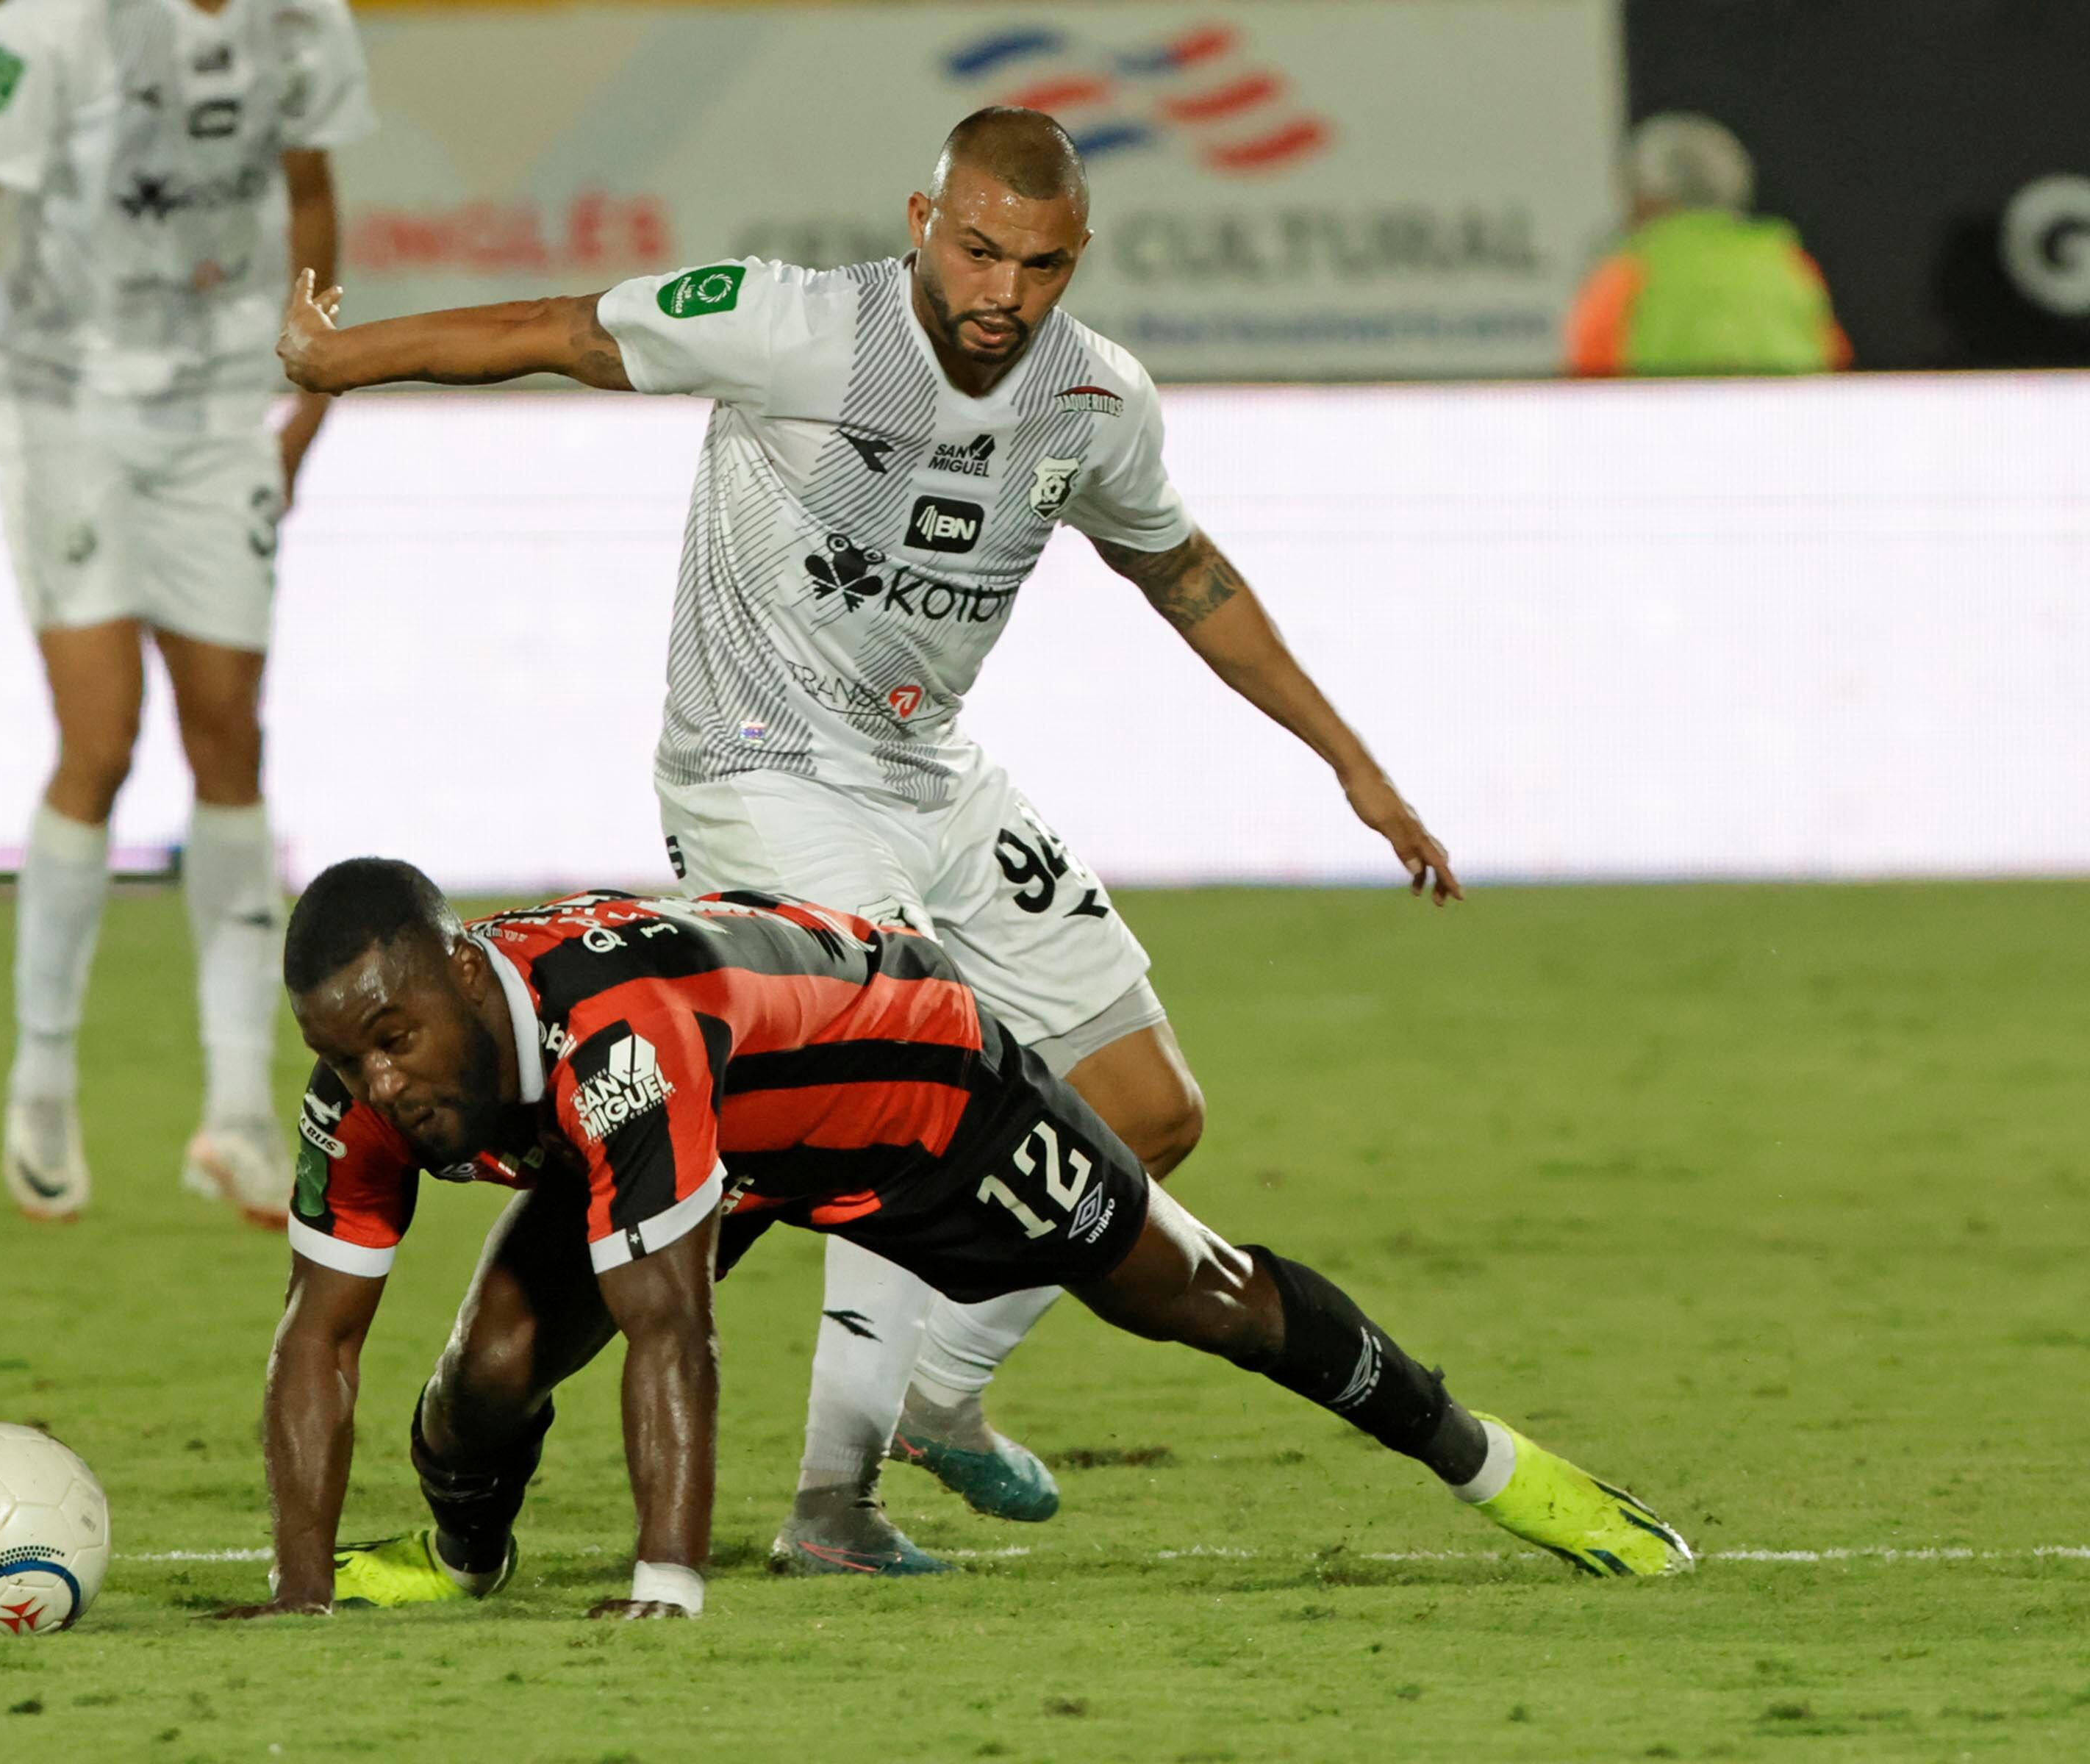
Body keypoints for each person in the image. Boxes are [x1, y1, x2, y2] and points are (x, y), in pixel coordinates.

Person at [269, 107, 1461, 1573]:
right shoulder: (793, 329)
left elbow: (1185, 570)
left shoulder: (1093, 403)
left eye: (1039, 265)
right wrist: (340, 355)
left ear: (1076, 260)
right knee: (888, 1083)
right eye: (976, 249)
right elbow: (553, 329)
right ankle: (831, 1505)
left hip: (929, 776)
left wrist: (1352, 763)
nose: (1000, 293)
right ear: (920, 219)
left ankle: (935, 1393)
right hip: (758, 778)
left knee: (1147, 1112)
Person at [210, 859, 1689, 1623]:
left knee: (1199, 1299)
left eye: (397, 1039)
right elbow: (316, 1335)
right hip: (728, 1139)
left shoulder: (621, 1042)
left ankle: (1492, 1463)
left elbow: (670, 1324)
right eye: (347, 1057)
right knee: (489, 1375)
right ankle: (466, 1561)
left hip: (921, 1088)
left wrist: (666, 1586)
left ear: (463, 974)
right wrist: (299, 1596)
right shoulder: (377, 1093)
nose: (379, 1082)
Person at [0, 0, 376, 1225]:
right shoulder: (59, 26)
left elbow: (312, 195)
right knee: (101, 743)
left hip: (219, 412)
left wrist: (309, 384)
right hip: (64, 403)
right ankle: (44, 1078)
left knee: (230, 741)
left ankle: (235, 1115)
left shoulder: (303, 21)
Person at [1566, 112, 1850, 376]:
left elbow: (1591, 380)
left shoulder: (1628, 270)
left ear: (1646, 198)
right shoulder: (1787, 263)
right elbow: (1834, 361)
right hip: (1787, 427)